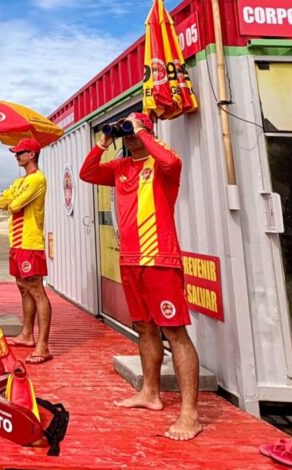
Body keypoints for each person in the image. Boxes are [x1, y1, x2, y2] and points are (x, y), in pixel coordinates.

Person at [79, 112, 202, 441]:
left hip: (160, 258)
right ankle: (150, 393)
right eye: (126, 131)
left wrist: (143, 132)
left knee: (175, 332)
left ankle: (190, 413)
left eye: (133, 129)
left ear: (148, 130)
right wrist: (104, 141)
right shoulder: (120, 168)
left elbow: (172, 161)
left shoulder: (163, 166)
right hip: (130, 260)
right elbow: (87, 173)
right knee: (144, 328)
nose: (129, 135)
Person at [0, 137, 53, 365]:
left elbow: (15, 205)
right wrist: (11, 198)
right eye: (16, 153)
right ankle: (27, 334)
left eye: (21, 153)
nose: (17, 156)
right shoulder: (21, 181)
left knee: (36, 290)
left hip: (30, 242)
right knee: (22, 287)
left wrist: (12, 199)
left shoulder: (37, 178)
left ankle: (43, 344)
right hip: (17, 241)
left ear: (32, 154)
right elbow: (3, 201)